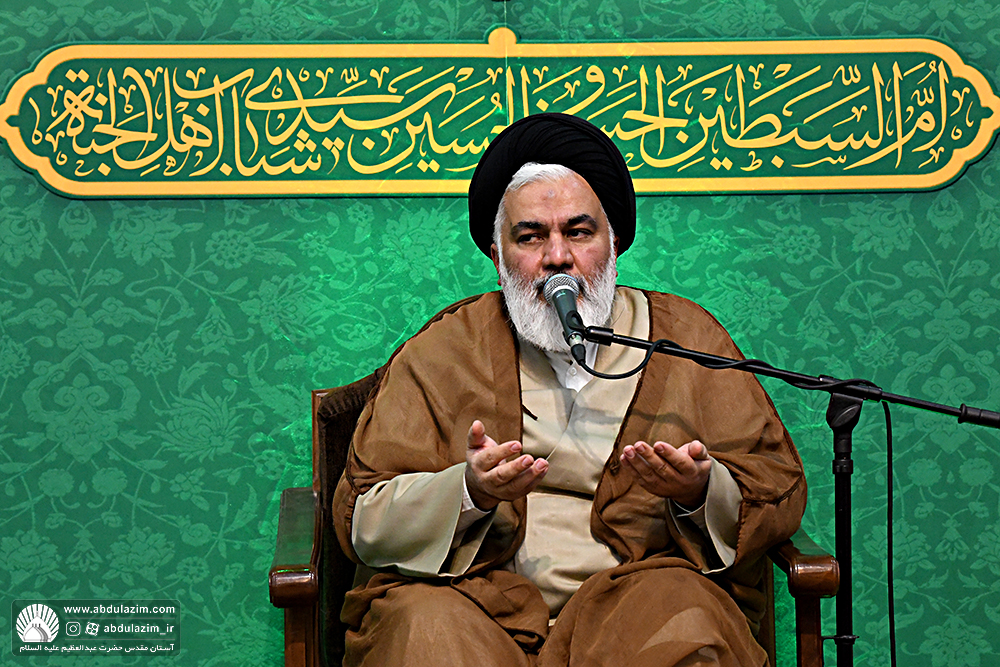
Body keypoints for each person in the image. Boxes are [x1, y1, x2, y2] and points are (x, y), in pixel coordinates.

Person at [332, 113, 806, 667]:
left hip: (637, 603)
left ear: (613, 243)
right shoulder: (446, 350)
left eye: (578, 233)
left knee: (689, 622)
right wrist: (468, 491)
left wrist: (700, 490)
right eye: (531, 236)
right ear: (498, 256)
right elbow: (363, 517)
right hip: (476, 606)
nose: (557, 256)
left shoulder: (686, 340)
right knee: (423, 633)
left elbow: (773, 486)